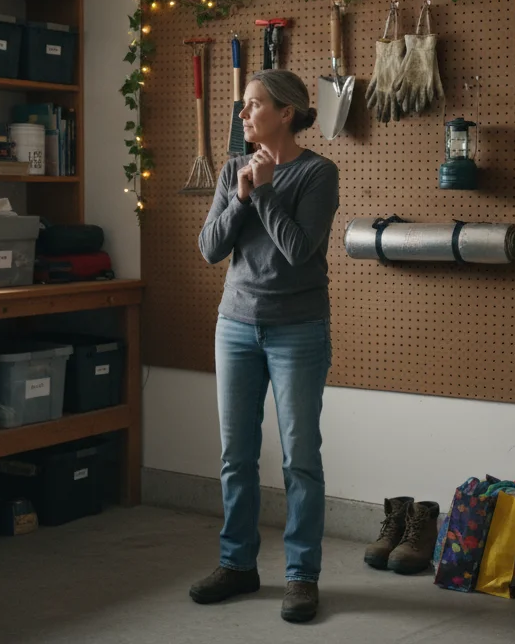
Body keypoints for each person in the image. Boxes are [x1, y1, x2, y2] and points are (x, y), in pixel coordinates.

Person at [192, 69, 340, 623]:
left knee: (301, 460)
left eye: (253, 106)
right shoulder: (235, 168)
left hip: (297, 330)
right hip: (234, 326)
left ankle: (302, 577)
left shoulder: (318, 172)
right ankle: (238, 566)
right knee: (237, 458)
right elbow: (210, 248)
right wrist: (241, 195)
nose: (243, 114)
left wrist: (268, 189)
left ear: (286, 112)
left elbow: (300, 251)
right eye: (242, 106)